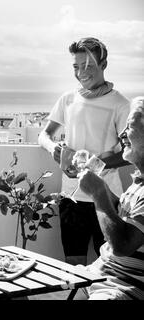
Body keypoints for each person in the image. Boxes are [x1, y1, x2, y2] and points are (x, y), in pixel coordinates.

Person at [38, 37, 130, 266]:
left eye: (88, 66)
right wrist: (54, 149)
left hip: (108, 196)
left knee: (109, 264)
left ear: (103, 65)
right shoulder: (68, 99)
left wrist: (97, 163)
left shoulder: (120, 104)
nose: (81, 72)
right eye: (76, 67)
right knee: (73, 264)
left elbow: (130, 150)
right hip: (71, 197)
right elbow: (44, 135)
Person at [76, 96, 144, 299]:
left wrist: (97, 193)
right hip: (95, 276)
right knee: (21, 292)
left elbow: (122, 244)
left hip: (120, 288)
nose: (122, 134)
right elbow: (125, 215)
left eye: (129, 128)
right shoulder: (139, 183)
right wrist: (101, 186)